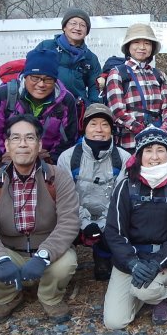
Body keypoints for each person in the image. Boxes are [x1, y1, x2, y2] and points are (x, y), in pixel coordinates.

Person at [0, 114, 81, 324]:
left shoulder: (57, 177)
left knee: (67, 262)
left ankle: (50, 297)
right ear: (7, 145)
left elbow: (69, 222)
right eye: (16, 138)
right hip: (10, 252)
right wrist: (0, 259)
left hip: (47, 252)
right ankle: (8, 296)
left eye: (30, 138)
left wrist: (44, 255)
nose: (23, 144)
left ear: (39, 145)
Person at [102, 127, 167, 328]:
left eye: (160, 150)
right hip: (130, 261)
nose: (154, 157)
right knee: (114, 322)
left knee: (144, 290)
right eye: (148, 150)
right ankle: (148, 291)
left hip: (163, 261)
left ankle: (163, 294)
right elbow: (114, 231)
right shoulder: (126, 186)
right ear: (139, 155)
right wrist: (133, 263)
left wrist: (157, 264)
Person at [56, 103, 129, 281]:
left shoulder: (124, 158)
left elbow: (120, 200)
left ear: (111, 130)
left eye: (105, 124)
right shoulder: (68, 157)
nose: (99, 129)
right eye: (93, 123)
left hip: (110, 219)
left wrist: (102, 224)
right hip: (75, 216)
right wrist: (85, 223)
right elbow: (65, 198)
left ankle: (103, 256)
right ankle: (63, 259)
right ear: (85, 127)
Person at [0, 48, 79, 169]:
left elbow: (68, 140)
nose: (41, 84)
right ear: (25, 76)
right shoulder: (3, 96)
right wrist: (0, 169)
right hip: (8, 162)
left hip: (48, 164)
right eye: (35, 77)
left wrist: (51, 167)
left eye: (48, 79)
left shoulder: (65, 100)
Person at [105, 23, 167, 150]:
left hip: (158, 144)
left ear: (152, 48)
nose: (142, 47)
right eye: (136, 42)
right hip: (129, 145)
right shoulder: (117, 73)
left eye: (147, 43)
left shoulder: (158, 75)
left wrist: (164, 130)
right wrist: (143, 131)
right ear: (129, 46)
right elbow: (117, 112)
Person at [30, 8, 101, 106]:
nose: (78, 28)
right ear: (64, 27)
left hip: (77, 108)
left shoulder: (90, 58)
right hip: (47, 104)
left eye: (83, 25)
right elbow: (30, 74)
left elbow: (95, 87)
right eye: (73, 23)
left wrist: (93, 108)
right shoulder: (46, 47)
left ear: (86, 31)